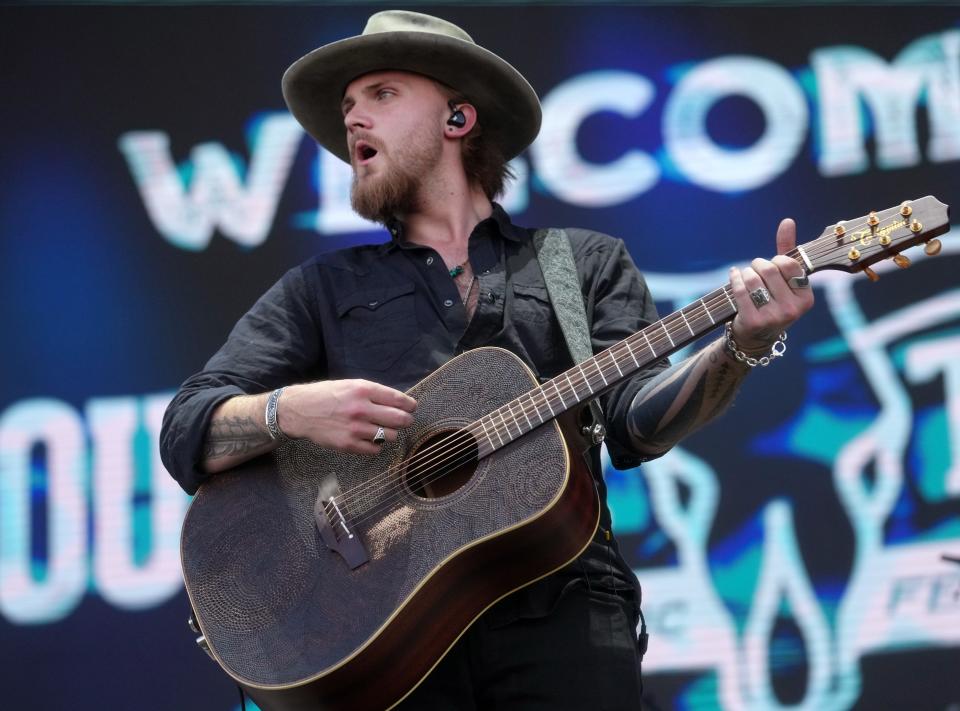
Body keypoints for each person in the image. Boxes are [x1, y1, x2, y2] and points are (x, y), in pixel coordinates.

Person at [160, 10, 814, 709]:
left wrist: (741, 345)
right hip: (386, 634)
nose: (353, 120)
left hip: (565, 616)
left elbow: (635, 426)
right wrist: (285, 410)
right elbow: (185, 430)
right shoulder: (322, 289)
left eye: (381, 94)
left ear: (458, 118)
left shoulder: (580, 263)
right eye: (347, 107)